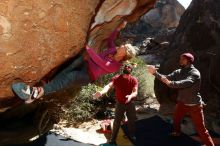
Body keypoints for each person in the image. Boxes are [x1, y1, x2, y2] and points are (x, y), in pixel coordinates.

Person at [12, 20, 138, 103]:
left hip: (88, 76)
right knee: (72, 63)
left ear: (124, 54)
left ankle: (35, 93)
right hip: (86, 64)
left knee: (71, 76)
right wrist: (118, 28)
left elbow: (100, 62)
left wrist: (88, 48)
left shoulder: (116, 66)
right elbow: (111, 39)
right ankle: (49, 83)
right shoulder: (113, 50)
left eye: (124, 47)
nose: (122, 45)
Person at [147, 53, 215, 146]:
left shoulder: (195, 73)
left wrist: (170, 83)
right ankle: (177, 132)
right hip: (182, 103)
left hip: (194, 105)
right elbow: (167, 77)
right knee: (176, 118)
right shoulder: (179, 71)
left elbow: (185, 83)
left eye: (182, 59)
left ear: (189, 61)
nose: (180, 60)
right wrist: (155, 73)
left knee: (201, 129)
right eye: (180, 59)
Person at [93, 64, 138, 145]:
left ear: (130, 73)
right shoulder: (116, 78)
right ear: (122, 72)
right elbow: (108, 86)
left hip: (130, 103)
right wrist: (102, 92)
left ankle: (131, 135)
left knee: (131, 121)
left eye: (127, 75)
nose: (126, 76)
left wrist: (131, 96)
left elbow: (135, 91)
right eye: (124, 74)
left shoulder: (133, 79)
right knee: (117, 122)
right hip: (120, 103)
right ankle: (113, 139)